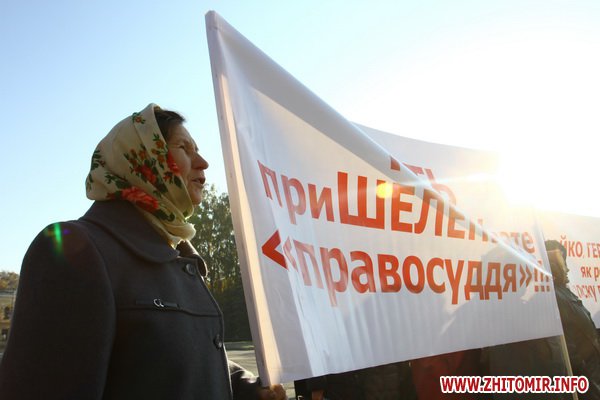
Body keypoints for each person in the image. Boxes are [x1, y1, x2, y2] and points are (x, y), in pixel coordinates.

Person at [0, 104, 286, 400]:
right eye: (184, 148)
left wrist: (250, 390)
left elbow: (178, 361)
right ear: (144, 157)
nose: (203, 163)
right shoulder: (72, 252)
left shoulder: (180, 256)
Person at [545, 240, 600, 400]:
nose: (567, 268)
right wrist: (587, 381)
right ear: (551, 264)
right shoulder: (552, 296)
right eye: (562, 261)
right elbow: (568, 351)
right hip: (583, 385)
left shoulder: (563, 292)